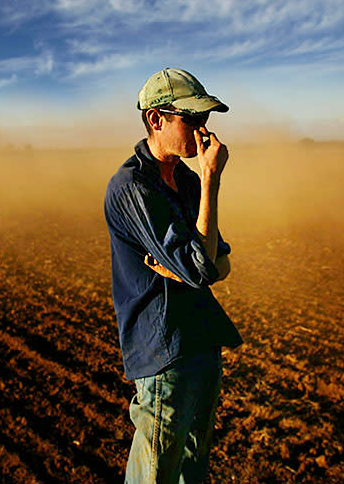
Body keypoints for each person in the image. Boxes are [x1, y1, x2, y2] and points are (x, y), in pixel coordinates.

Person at [104, 68, 243, 483]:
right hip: (164, 351)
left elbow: (221, 263)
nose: (202, 131)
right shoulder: (132, 187)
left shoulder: (182, 178)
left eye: (205, 119)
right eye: (192, 119)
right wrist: (211, 180)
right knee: (155, 477)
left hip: (201, 342)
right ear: (156, 119)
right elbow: (203, 267)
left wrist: (188, 267)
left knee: (191, 471)